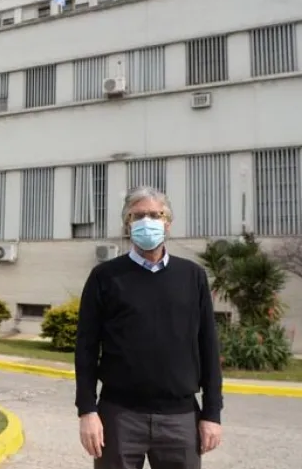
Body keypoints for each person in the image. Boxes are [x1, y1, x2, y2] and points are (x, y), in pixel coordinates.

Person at [74, 186, 223, 469]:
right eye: (138, 215)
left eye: (156, 214)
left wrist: (212, 413)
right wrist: (87, 411)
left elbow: (208, 346)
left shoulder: (193, 276)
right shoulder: (105, 277)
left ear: (168, 222)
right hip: (118, 418)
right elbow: (86, 348)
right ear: (127, 223)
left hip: (180, 419)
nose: (147, 221)